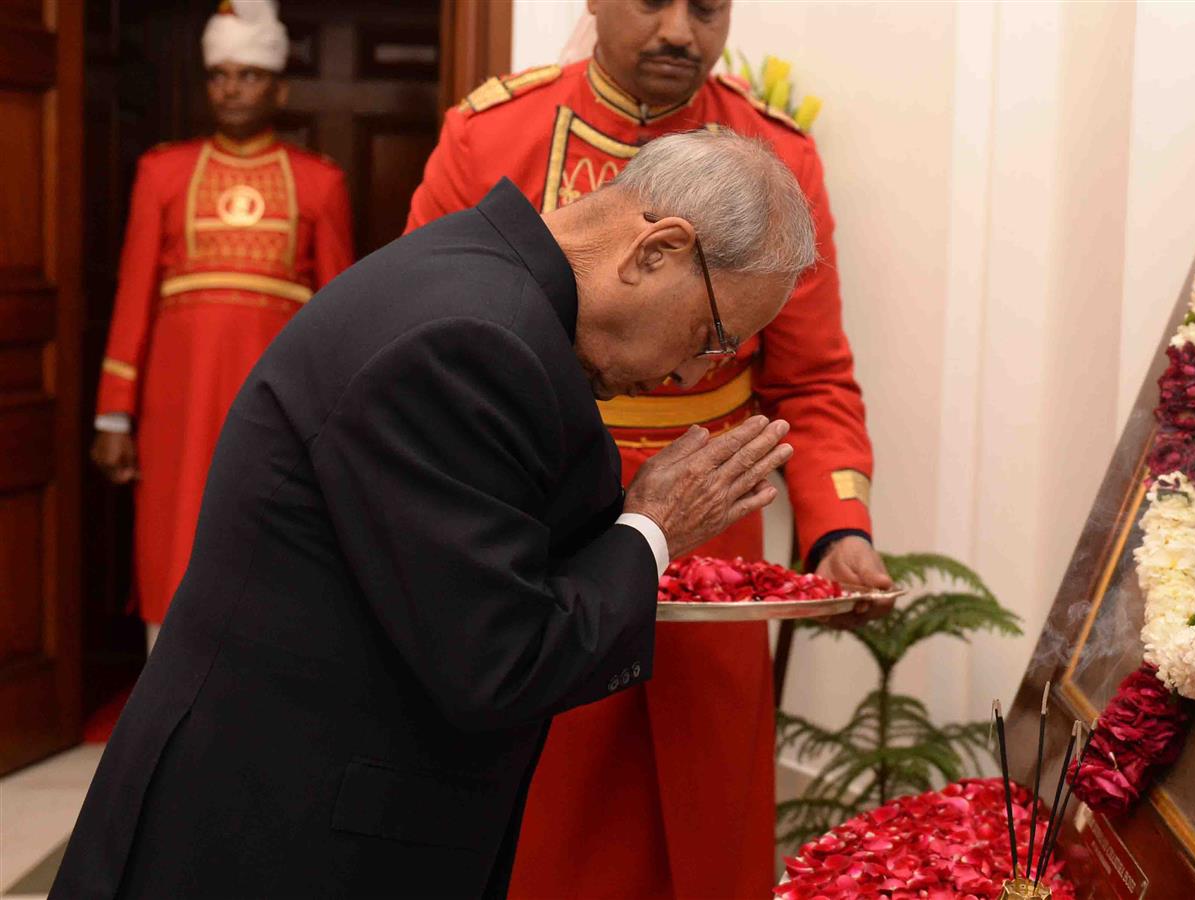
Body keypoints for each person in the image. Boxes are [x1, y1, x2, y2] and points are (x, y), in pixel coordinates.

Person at [51, 130, 812, 899]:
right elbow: (502, 663)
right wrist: (652, 529)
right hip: (280, 836)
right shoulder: (474, 342)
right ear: (656, 250)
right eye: (713, 338)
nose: (690, 372)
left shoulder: (480, 275)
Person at [405, 2, 887, 895]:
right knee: (538, 794)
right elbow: (416, 340)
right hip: (532, 515)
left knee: (702, 805)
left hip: (714, 536)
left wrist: (837, 530)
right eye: (652, 0)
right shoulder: (490, 132)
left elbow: (813, 382)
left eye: (706, 8)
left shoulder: (779, 157)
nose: (679, 31)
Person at [89, 0, 353, 652]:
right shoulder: (162, 172)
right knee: (171, 538)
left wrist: (343, 417)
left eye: (249, 75)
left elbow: (341, 312)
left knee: (271, 538)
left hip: (276, 405)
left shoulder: (319, 182)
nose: (231, 89)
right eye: (219, 75)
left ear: (279, 86)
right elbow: (133, 296)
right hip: (174, 407)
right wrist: (113, 416)